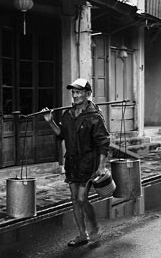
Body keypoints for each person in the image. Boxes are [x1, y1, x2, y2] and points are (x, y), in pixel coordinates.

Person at [42, 78, 111, 247]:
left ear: (88, 94)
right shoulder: (68, 114)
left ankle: (94, 225)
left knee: (81, 197)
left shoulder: (94, 116)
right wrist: (50, 121)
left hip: (89, 162)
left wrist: (101, 166)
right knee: (74, 199)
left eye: (79, 92)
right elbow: (61, 135)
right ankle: (82, 234)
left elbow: (103, 142)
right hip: (72, 162)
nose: (75, 95)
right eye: (73, 92)